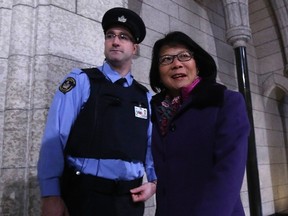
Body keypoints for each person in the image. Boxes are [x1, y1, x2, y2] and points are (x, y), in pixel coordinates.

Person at [37, 7, 157, 216]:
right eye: (110, 35)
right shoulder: (81, 81)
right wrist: (50, 194)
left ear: (134, 48)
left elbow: (150, 146)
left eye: (123, 37)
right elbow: (55, 137)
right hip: (84, 198)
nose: (115, 41)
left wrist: (154, 181)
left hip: (129, 202)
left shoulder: (144, 97)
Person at [149, 31, 250, 216]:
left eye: (184, 56)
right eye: (166, 59)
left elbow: (228, 174)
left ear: (198, 65)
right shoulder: (157, 110)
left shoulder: (226, 102)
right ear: (158, 71)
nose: (176, 64)